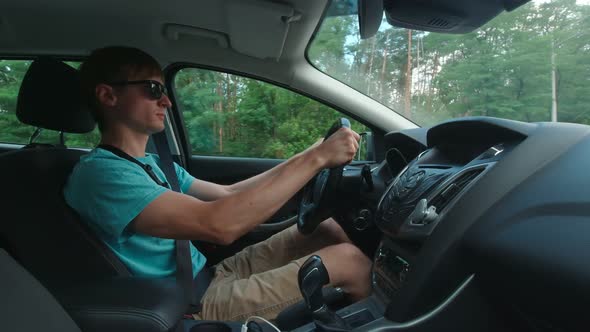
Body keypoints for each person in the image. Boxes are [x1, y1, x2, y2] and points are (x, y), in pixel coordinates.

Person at [64, 46, 372, 321]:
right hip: (190, 303)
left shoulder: (150, 164)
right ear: (108, 96)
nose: (167, 101)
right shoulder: (101, 175)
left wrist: (308, 155)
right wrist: (316, 160)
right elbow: (219, 225)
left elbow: (228, 194)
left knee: (325, 228)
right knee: (351, 263)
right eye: (154, 88)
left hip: (211, 275)